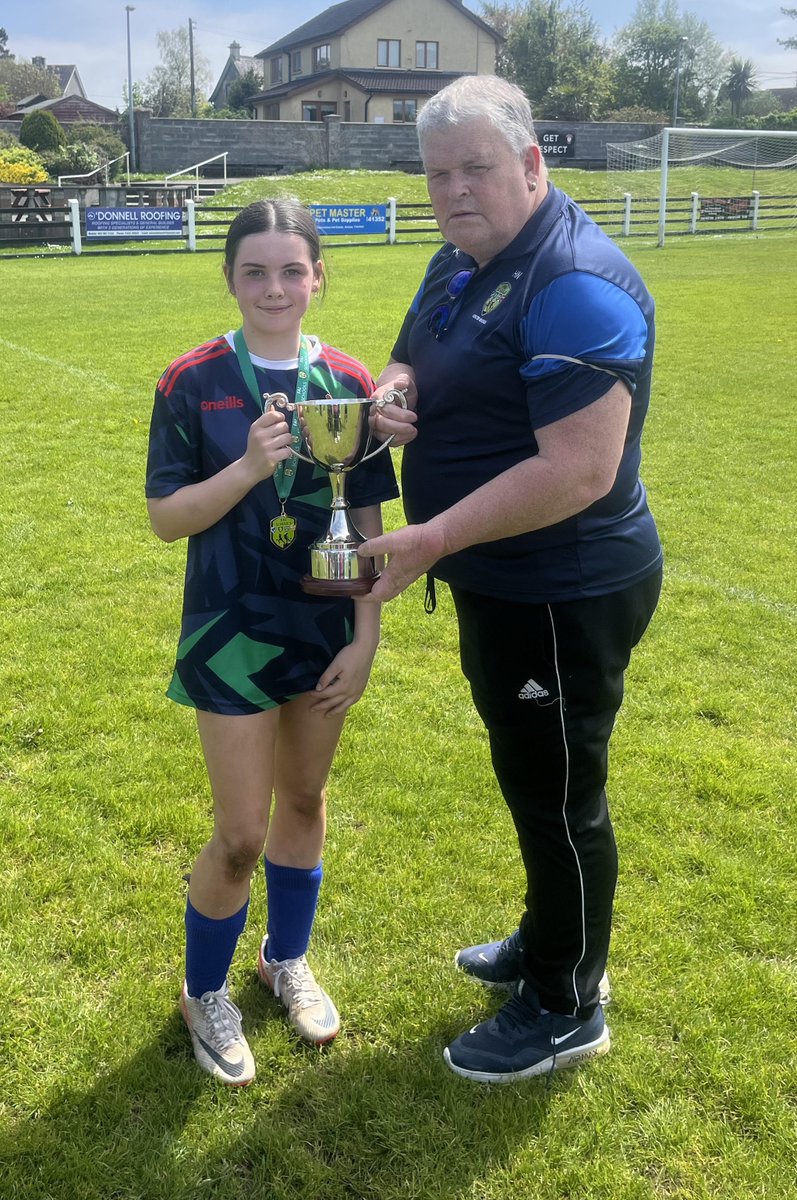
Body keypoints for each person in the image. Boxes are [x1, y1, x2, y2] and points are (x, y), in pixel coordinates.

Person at [363, 75, 663, 1084]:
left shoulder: (572, 280)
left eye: (475, 169)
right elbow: (408, 357)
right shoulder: (461, 259)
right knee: (531, 779)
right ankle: (550, 943)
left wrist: (434, 536)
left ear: (532, 164)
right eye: (436, 172)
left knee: (559, 795)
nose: (452, 190)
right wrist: (393, 396)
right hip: (505, 583)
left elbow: (576, 471)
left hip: (560, 587)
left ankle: (567, 1003)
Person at [145, 198, 398, 1086]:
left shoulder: (351, 383)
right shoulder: (192, 379)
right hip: (228, 633)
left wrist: (366, 635)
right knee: (242, 832)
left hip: (322, 626)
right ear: (229, 278)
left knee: (305, 802)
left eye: (293, 269)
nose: (275, 286)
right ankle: (202, 988)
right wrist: (248, 466)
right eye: (255, 270)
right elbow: (165, 520)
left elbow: (365, 520)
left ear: (318, 276)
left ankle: (284, 957)